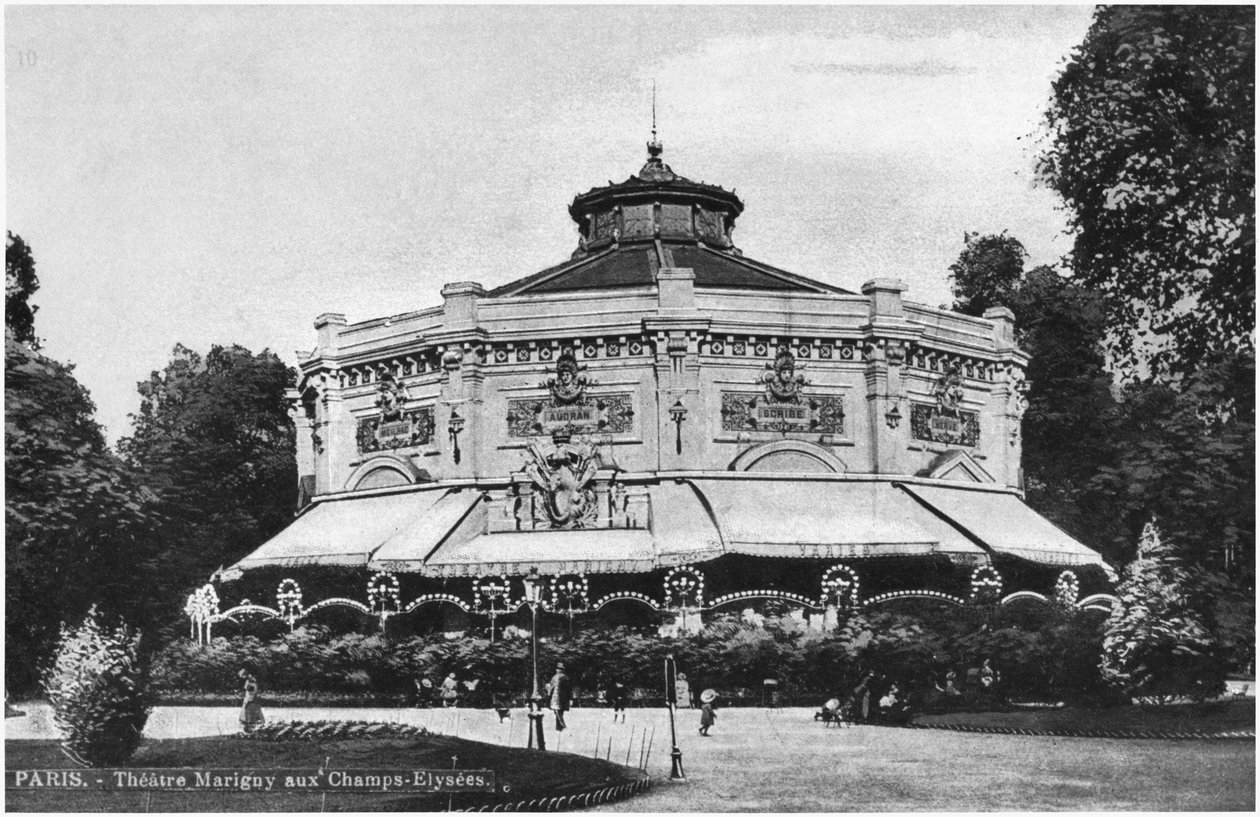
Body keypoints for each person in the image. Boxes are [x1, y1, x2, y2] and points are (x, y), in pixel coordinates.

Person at [546, 662, 572, 731]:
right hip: (563, 698)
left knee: (557, 711)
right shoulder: (565, 678)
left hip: (556, 698)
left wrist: (548, 695)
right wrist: (569, 698)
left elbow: (550, 688)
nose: (557, 670)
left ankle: (561, 725)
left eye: (558, 669)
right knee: (560, 711)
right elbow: (569, 689)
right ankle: (559, 726)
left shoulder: (555, 677)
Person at [238, 667, 264, 732]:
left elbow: (251, 692)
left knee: (249, 711)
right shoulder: (251, 680)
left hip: (250, 699)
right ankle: (253, 722)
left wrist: (249, 700)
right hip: (250, 698)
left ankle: (250, 723)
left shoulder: (250, 681)